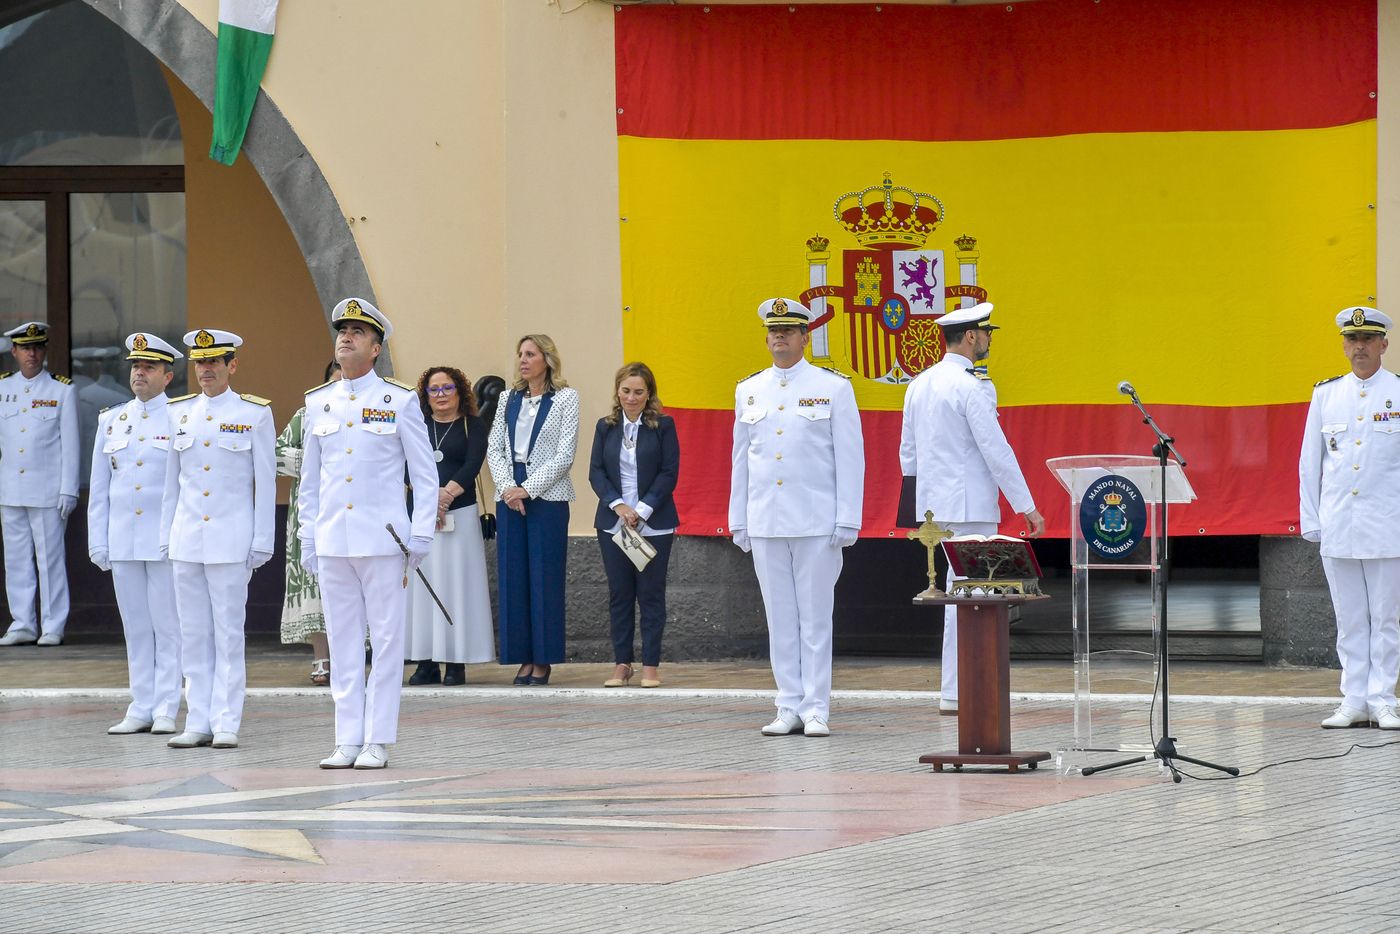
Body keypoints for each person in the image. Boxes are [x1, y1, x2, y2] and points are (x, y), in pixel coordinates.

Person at [298, 298, 436, 770]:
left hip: (384, 541)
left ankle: (377, 738)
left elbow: (424, 473)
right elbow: (310, 482)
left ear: (375, 348)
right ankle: (345, 737)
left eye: (358, 332)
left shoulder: (398, 400)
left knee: (387, 639)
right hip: (334, 539)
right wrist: (308, 538)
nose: (346, 337)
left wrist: (419, 537)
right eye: (342, 331)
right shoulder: (318, 403)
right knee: (342, 641)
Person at [898, 302, 1044, 716]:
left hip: (935, 509)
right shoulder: (971, 386)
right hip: (970, 504)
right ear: (970, 337)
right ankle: (968, 688)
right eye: (985, 333)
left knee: (955, 595)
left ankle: (954, 689)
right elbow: (995, 449)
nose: (989, 340)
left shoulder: (919, 384)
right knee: (976, 597)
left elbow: (907, 454)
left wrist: (917, 505)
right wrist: (1027, 505)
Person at [729, 298, 864, 737]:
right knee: (779, 617)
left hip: (815, 520)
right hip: (766, 519)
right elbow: (741, 460)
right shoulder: (749, 389)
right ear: (766, 338)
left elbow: (850, 457)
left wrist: (848, 518)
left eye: (789, 331)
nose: (780, 338)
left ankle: (816, 707)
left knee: (815, 615)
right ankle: (787, 704)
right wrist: (739, 519)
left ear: (806, 337)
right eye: (774, 331)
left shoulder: (833, 387)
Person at [159, 328, 276, 750]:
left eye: (214, 362)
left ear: (232, 365)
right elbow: (171, 483)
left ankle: (227, 720)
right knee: (192, 632)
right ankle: (199, 719)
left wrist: (262, 539)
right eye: (200, 363)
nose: (205, 370)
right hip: (187, 536)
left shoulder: (254, 414)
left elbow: (265, 481)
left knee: (228, 633)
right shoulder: (179, 413)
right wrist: (165, 536)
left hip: (231, 539)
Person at [1299, 305, 1400, 731]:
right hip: (1340, 522)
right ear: (1344, 345)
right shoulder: (1326, 394)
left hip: (1388, 524)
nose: (1359, 347)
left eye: (1367, 339)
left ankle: (1383, 699)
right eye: (1352, 340)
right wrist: (1312, 519)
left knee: (1387, 617)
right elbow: (1310, 462)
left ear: (1383, 344)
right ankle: (1353, 699)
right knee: (1349, 618)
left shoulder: (1397, 391)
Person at [88, 333, 184, 735]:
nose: (139, 373)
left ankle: (166, 706)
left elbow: (184, 485)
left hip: (162, 540)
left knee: (167, 625)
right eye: (135, 366)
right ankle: (140, 704)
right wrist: (98, 539)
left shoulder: (179, 417)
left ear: (167, 375)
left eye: (148, 367)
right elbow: (99, 486)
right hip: (123, 536)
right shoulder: (112, 419)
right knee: (135, 626)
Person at [486, 334, 579, 686]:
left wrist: (528, 489)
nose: (523, 360)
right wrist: (510, 488)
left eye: (531, 354)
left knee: (544, 577)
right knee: (513, 577)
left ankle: (543, 659)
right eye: (520, 354)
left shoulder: (566, 399)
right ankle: (521, 656)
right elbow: (494, 447)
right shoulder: (507, 398)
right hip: (509, 492)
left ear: (547, 360)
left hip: (548, 497)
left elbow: (564, 454)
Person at [588, 362, 680, 688]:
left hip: (653, 524)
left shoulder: (663, 426)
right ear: (617, 391)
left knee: (651, 594)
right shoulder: (605, 426)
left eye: (639, 391)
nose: (631, 397)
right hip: (614, 525)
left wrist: (641, 510)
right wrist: (619, 506)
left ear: (649, 393)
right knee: (620, 594)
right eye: (626, 391)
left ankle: (650, 665)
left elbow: (669, 472)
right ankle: (622, 663)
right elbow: (596, 472)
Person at [404, 365, 494, 686]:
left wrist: (444, 497)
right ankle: (426, 662)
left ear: (460, 391)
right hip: (421, 518)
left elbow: (473, 464)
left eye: (447, 388)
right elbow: (405, 466)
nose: (441, 395)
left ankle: (456, 662)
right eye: (434, 390)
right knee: (423, 589)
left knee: (457, 587)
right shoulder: (416, 426)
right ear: (425, 396)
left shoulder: (473, 425)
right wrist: (431, 501)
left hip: (462, 515)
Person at [0, 322, 79, 647]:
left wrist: (69, 488)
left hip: (47, 490)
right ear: (14, 352)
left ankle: (53, 624)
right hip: (10, 489)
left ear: (44, 351)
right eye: (25, 348)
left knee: (50, 560)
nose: (31, 354)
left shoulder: (62, 389)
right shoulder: (2, 388)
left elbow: (70, 444)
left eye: (37, 347)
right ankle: (22, 623)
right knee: (16, 559)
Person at [277, 360, 341, 685]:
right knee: (313, 584)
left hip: (349, 515)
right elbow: (276, 453)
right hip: (309, 517)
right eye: (334, 380)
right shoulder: (308, 414)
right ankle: (321, 658)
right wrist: (314, 458)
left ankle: (349, 658)